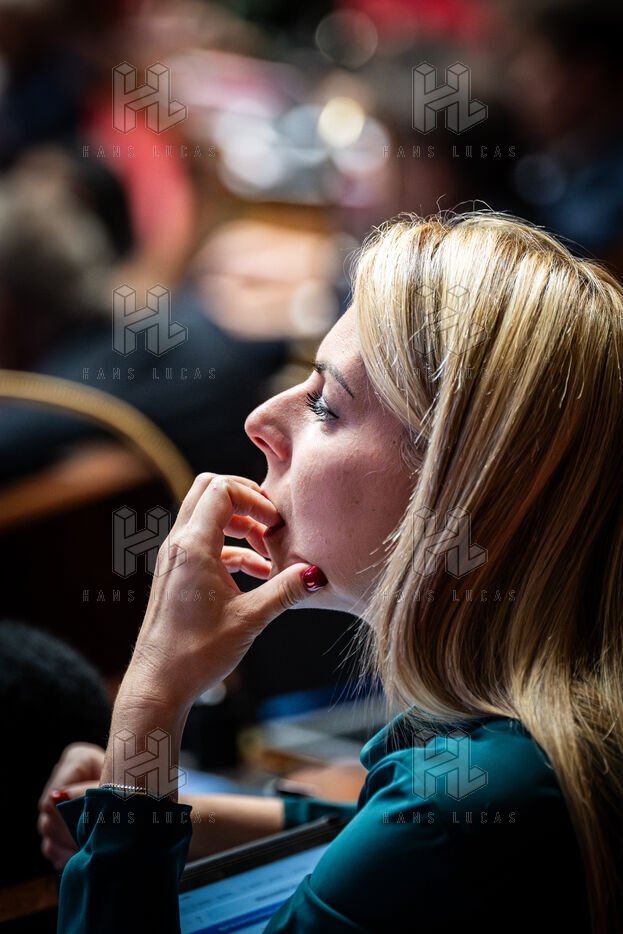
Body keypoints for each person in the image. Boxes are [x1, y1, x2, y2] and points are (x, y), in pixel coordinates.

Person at [44, 210, 623, 933]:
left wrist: (149, 709)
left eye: (325, 404)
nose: (260, 419)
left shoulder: (455, 814)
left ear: (459, 487)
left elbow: (428, 834)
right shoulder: (525, 747)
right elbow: (384, 824)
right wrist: (162, 805)